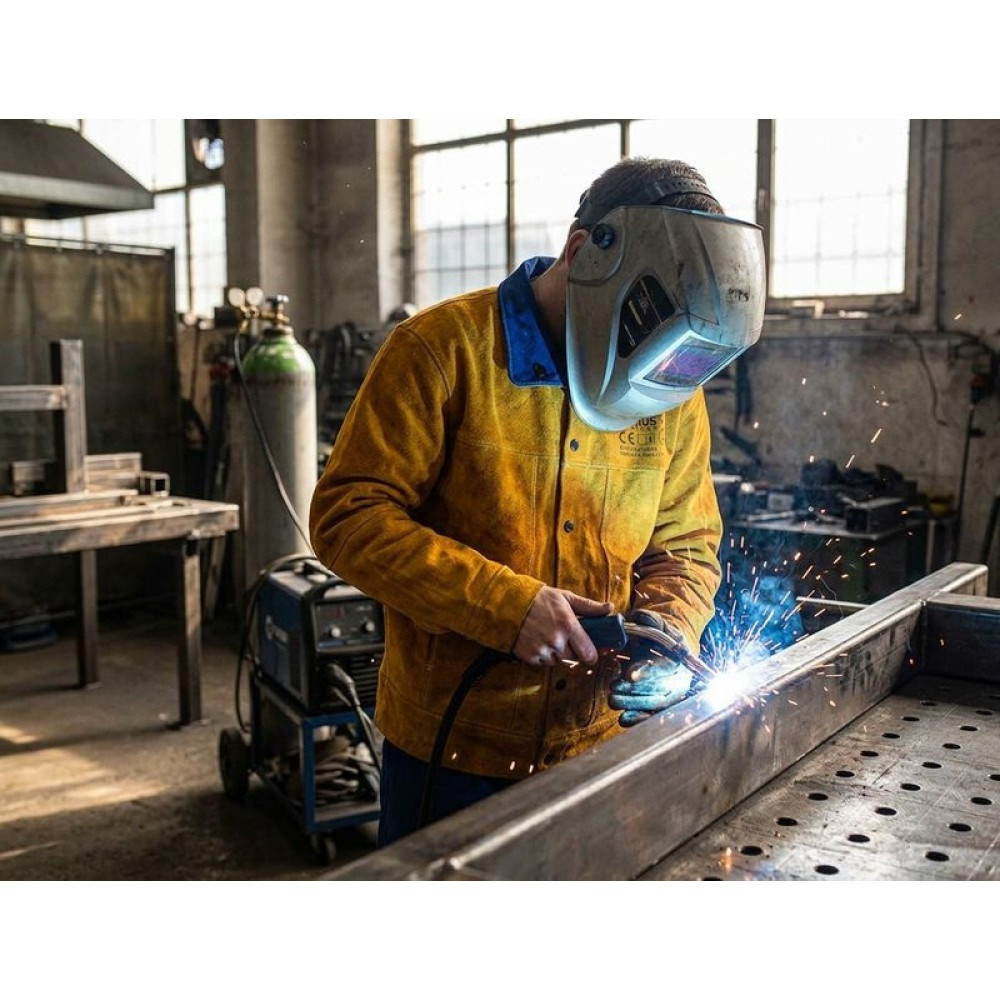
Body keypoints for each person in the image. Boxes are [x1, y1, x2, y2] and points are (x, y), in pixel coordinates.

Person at [309, 156, 765, 847]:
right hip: (453, 750)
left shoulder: (674, 392)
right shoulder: (441, 351)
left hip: (601, 745)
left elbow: (687, 545)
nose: (657, 368)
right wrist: (504, 606)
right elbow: (349, 517)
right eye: (645, 323)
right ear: (584, 254)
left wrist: (667, 634)